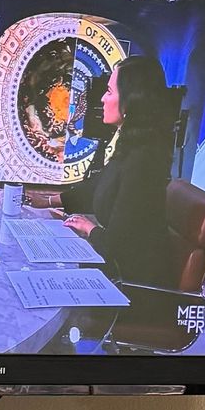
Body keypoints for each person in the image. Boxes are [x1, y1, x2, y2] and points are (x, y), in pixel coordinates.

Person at [62, 54, 178, 283]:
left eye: (109, 92)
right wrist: (45, 201)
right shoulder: (131, 144)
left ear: (131, 102)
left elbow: (118, 246)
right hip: (118, 269)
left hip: (131, 285)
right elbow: (100, 187)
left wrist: (89, 229)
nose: (103, 100)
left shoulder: (144, 160)